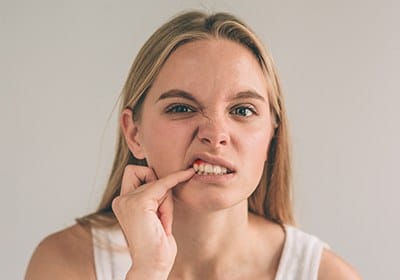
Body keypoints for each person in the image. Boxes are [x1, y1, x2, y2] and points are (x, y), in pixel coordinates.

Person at [25, 11, 361, 280]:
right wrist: (148, 272)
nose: (215, 134)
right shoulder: (66, 264)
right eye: (182, 108)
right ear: (134, 133)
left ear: (272, 133)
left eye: (242, 110)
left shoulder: (327, 275)